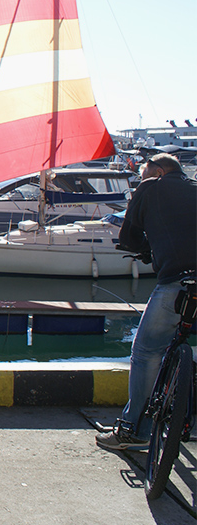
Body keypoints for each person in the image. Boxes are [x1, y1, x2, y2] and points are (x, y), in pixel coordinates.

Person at [96, 153, 197, 450]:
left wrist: (145, 251)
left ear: (158, 171)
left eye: (144, 173)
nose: (142, 178)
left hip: (178, 281)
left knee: (146, 353)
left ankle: (133, 430)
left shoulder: (151, 187)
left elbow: (129, 236)